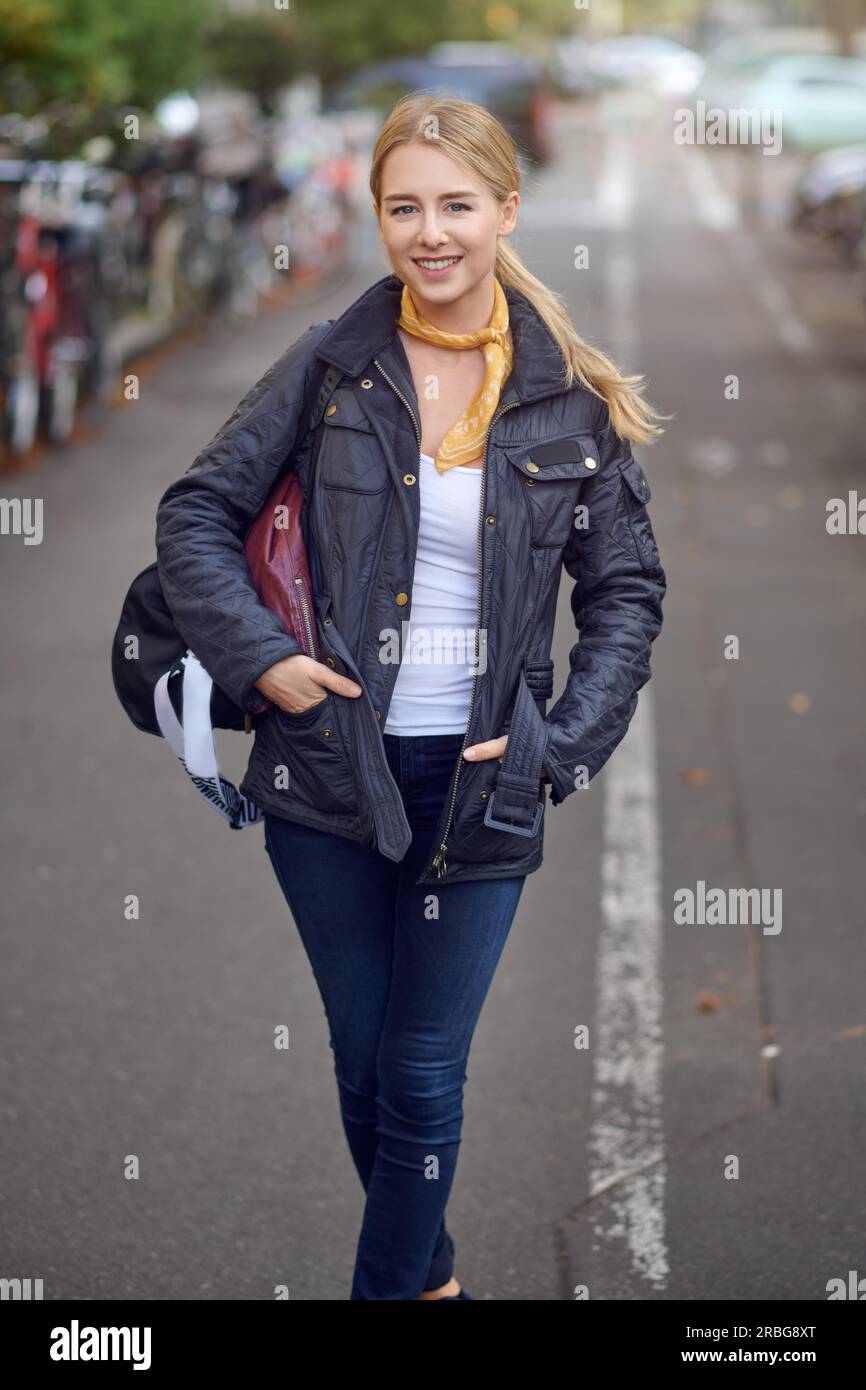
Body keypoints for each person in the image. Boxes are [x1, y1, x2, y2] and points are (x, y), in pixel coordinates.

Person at [155, 94, 668, 1300]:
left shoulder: (564, 402)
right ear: (376, 216)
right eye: (403, 208)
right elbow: (197, 512)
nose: (429, 233)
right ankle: (430, 1281)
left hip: (483, 779)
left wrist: (557, 743)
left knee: (423, 1071)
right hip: (329, 764)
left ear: (503, 210)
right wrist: (259, 660)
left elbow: (628, 590)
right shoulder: (332, 362)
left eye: (454, 205)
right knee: (361, 1064)